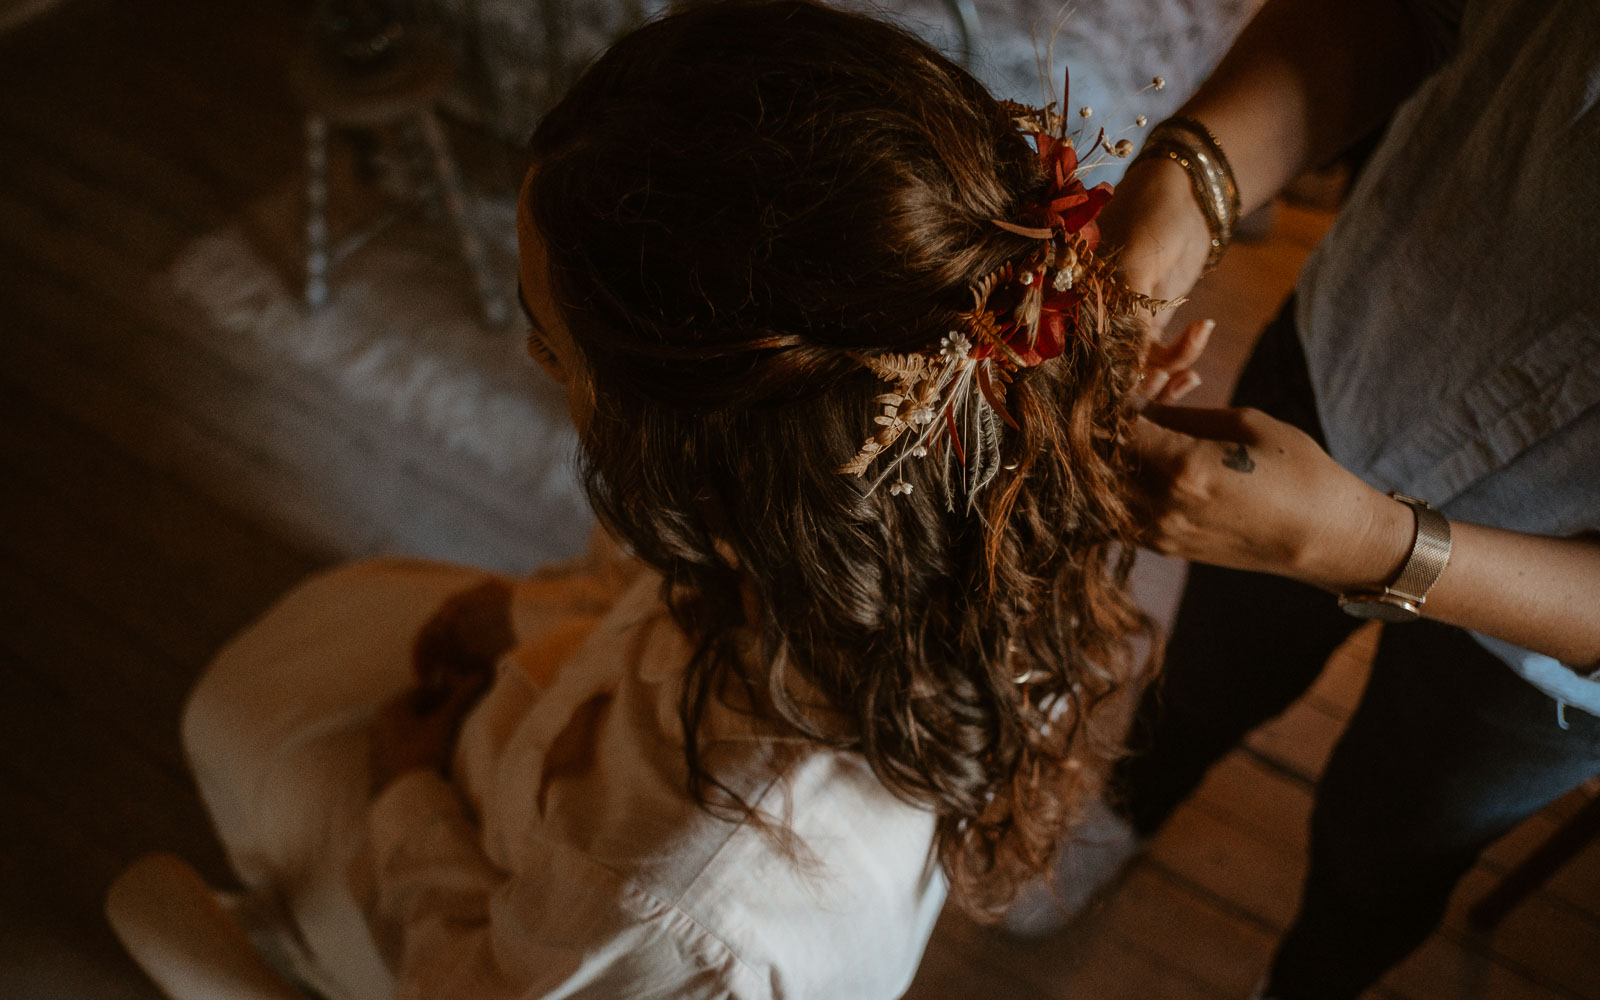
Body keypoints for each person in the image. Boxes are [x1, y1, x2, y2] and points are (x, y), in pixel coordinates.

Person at [180, 2, 1212, 998]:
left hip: (485, 882)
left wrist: (409, 799)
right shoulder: (901, 519)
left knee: (230, 721)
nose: (533, 355)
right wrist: (524, 616)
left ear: (704, 455)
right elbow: (645, 589)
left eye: (552, 346)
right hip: (548, 712)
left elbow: (466, 982)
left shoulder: (680, 911)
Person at [1017, 0, 1600, 995]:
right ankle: (1129, 803)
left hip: (1553, 649)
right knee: (1201, 673)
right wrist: (1185, 184)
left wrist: (1375, 545)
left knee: (1390, 851)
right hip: (1353, 350)